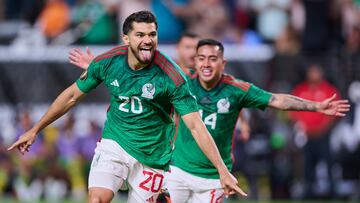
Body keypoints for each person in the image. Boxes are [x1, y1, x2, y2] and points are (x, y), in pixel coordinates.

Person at [69, 38, 350, 202]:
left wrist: (316, 106)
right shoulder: (180, 84)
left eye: (212, 58)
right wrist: (99, 70)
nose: (206, 63)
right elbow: (139, 93)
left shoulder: (236, 90)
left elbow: (276, 99)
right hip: (175, 171)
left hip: (214, 178)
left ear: (223, 63)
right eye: (201, 57)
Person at [8, 11, 246, 203]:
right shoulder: (108, 62)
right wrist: (35, 129)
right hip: (115, 144)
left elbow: (195, 125)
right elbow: (71, 95)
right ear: (126, 38)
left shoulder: (171, 77)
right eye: (140, 34)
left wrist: (222, 171)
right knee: (97, 199)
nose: (147, 41)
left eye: (152, 35)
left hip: (153, 157)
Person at [290, 64, 342, 199]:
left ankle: (333, 193)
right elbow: (294, 111)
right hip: (307, 135)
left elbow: (334, 113)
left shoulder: (329, 90)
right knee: (307, 165)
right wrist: (305, 128)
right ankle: (308, 193)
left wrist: (321, 129)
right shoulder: (301, 90)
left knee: (329, 163)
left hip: (324, 135)